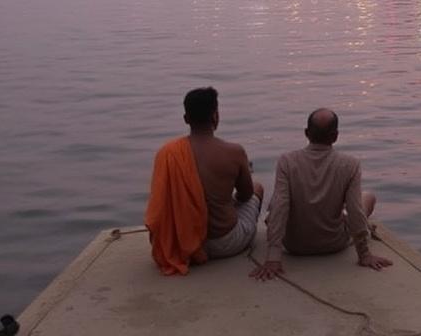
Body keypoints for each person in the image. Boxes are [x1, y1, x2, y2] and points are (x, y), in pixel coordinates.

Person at [252, 108, 392, 281]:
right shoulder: (350, 165)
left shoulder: (286, 162)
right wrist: (364, 254)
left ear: (306, 133)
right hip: (333, 243)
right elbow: (355, 211)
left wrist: (273, 258)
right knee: (368, 197)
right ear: (335, 136)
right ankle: (363, 228)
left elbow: (280, 207)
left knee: (273, 207)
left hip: (294, 245)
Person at [145, 87, 263, 275]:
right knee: (257, 187)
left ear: (186, 119)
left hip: (181, 243)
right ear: (216, 116)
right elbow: (245, 195)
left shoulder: (167, 153)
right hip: (226, 242)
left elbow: (159, 205)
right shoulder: (234, 152)